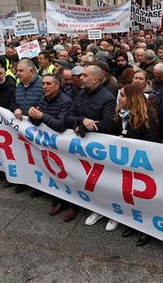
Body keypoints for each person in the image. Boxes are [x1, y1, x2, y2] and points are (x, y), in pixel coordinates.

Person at [65, 65, 117, 225]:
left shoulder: (108, 98)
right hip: (80, 148)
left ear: (95, 79)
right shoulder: (80, 94)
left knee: (102, 181)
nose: (81, 77)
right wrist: (82, 120)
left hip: (99, 149)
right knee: (85, 179)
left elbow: (108, 124)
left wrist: (81, 127)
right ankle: (94, 207)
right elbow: (69, 116)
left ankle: (110, 212)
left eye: (85, 75)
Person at [116, 84, 159, 246]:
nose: (119, 98)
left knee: (143, 198)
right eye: (119, 95)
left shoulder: (147, 117)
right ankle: (134, 224)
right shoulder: (120, 114)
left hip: (142, 165)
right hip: (127, 163)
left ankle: (146, 230)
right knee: (130, 195)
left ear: (132, 98)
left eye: (122, 96)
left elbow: (152, 143)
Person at [28, 74, 75, 214]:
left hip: (60, 146)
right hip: (48, 145)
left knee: (64, 172)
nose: (45, 87)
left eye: (48, 84)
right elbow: (37, 122)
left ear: (57, 85)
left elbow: (61, 126)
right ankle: (54, 195)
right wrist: (32, 115)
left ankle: (68, 203)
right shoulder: (43, 99)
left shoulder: (66, 101)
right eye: (43, 84)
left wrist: (41, 116)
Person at [8, 58, 44, 193]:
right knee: (23, 155)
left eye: (20, 70)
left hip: (37, 129)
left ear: (31, 71)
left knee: (37, 157)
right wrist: (15, 108)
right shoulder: (19, 85)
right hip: (22, 130)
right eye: (17, 70)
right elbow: (12, 102)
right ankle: (25, 180)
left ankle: (39, 185)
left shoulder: (42, 85)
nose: (17, 73)